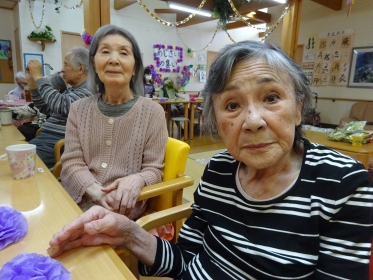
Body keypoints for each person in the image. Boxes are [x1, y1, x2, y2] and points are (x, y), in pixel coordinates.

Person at [48, 41, 373, 279]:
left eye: (271, 97)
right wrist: (127, 233)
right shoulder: (219, 169)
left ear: (299, 107)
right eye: (232, 105)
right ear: (216, 122)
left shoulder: (342, 183)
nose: (253, 121)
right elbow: (187, 259)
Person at [59, 25, 168, 220]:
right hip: (79, 200)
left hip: (123, 210)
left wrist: (137, 179)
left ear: (135, 67)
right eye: (105, 51)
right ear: (94, 64)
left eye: (124, 53)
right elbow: (71, 161)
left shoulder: (153, 112)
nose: (114, 60)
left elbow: (154, 169)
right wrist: (94, 190)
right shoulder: (78, 109)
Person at [25, 47, 92, 169]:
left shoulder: (88, 92)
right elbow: (47, 108)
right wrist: (33, 85)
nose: (62, 69)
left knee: (14, 166)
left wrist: (39, 78)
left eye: (66, 65)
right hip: (45, 140)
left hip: (56, 145)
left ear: (80, 69)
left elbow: (60, 105)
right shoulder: (72, 90)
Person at [17, 72, 67, 141]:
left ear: (57, 90)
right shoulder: (43, 100)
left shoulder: (63, 104)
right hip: (43, 130)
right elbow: (27, 110)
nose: (42, 91)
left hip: (48, 133)